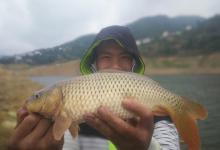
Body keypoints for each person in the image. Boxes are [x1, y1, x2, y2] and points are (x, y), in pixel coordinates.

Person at [8, 25, 180, 150]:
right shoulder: (74, 121)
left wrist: (145, 147)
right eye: (106, 57)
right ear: (94, 64)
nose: (115, 65)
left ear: (134, 64)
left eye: (125, 57)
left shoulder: (160, 119)